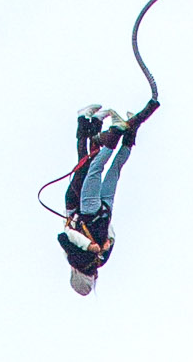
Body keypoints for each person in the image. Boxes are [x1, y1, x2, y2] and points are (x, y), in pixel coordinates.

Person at [56, 105, 142, 295]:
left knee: (89, 164)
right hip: (92, 210)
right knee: (90, 163)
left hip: (81, 207)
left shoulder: (82, 260)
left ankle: (90, 121)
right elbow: (110, 237)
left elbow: (64, 236)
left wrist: (91, 245)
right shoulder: (95, 261)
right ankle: (94, 122)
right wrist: (106, 242)